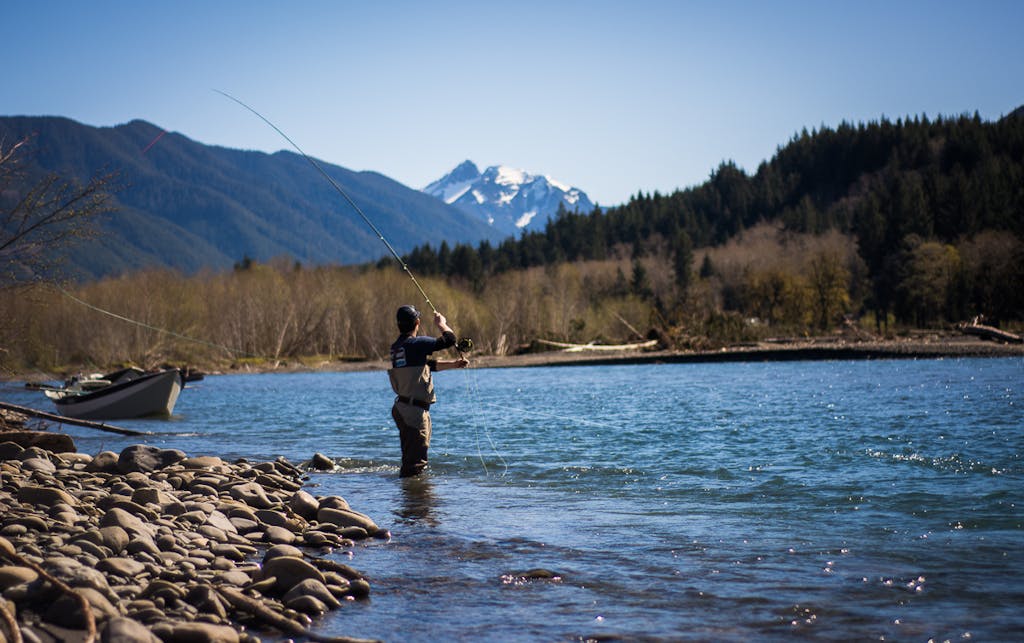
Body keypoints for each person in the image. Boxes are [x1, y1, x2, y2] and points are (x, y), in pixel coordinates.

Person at [388, 304, 469, 477]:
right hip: (413, 412)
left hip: (403, 408)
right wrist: (442, 324)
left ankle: (411, 496)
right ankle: (417, 501)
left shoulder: (398, 347)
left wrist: (454, 365)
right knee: (416, 463)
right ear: (417, 322)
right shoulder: (416, 343)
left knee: (410, 459)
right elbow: (449, 339)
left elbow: (425, 366)